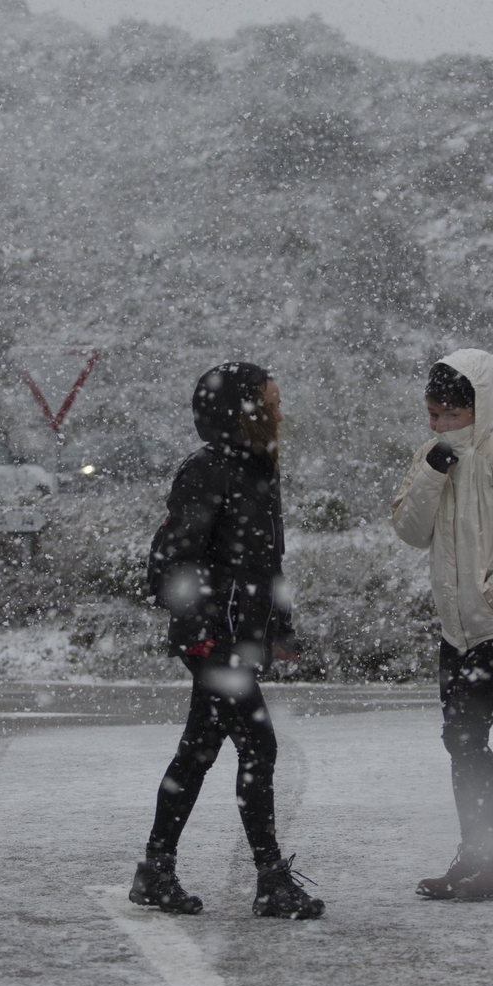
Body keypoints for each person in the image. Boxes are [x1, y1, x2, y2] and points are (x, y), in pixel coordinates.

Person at [130, 362, 324, 920]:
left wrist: (278, 625)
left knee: (198, 749)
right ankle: (270, 879)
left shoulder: (258, 467)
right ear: (245, 410)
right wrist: (199, 631)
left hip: (242, 636)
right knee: (259, 747)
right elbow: (170, 559)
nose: (281, 411)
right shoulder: (206, 469)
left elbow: (268, 560)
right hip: (215, 640)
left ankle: (156, 870)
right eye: (273, 401)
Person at [391, 348, 493, 900]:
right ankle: (480, 852)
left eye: (452, 414)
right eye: (433, 413)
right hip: (456, 631)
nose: (441, 424)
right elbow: (411, 530)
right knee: (461, 742)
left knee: (463, 736)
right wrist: (434, 470)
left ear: (479, 408)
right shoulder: (429, 457)